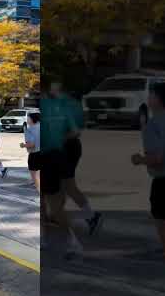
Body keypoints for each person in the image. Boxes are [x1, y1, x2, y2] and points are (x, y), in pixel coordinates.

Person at [131, 82, 165, 295]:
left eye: (151, 95)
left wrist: (139, 159)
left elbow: (157, 159)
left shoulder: (153, 124)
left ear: (159, 99)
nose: (148, 99)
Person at [52, 83, 103, 235]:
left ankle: (92, 215)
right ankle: (57, 214)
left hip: (69, 149)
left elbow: (75, 132)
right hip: (68, 149)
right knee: (60, 183)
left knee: (68, 185)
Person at [41, 84, 82, 258]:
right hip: (59, 156)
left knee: (49, 202)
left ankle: (70, 240)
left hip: (47, 159)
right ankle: (48, 236)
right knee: (53, 201)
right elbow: (74, 131)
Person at [20, 112, 40, 192]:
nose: (27, 119)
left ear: (32, 119)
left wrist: (23, 145)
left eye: (28, 118)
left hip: (35, 154)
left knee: (34, 175)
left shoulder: (30, 129)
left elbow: (31, 144)